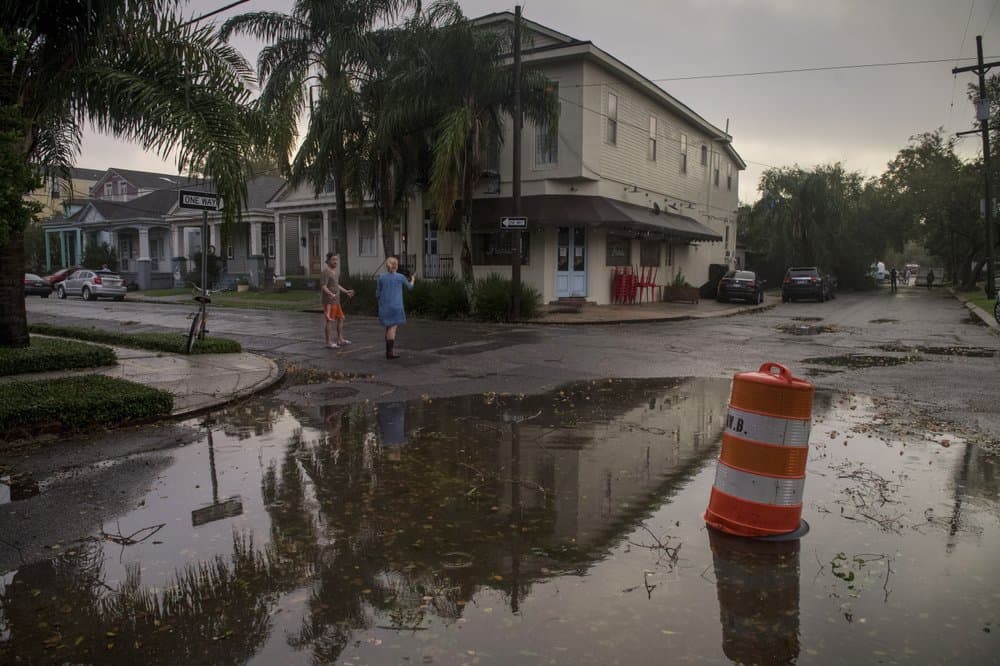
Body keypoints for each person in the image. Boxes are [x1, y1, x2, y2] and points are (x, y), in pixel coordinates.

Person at [376, 256, 415, 359]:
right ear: (396, 266)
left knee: (388, 327)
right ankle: (390, 353)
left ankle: (388, 351)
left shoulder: (381, 277)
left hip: (384, 306)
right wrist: (413, 280)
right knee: (393, 328)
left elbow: (377, 294)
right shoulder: (400, 277)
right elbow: (410, 287)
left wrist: (380, 304)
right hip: (396, 306)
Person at [321, 253, 354, 349]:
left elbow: (337, 285)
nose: (335, 262)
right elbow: (323, 286)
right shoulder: (326, 272)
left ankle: (340, 339)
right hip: (329, 301)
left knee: (341, 318)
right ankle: (328, 342)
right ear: (328, 261)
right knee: (329, 321)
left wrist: (346, 291)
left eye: (336, 260)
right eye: (333, 260)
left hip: (336, 300)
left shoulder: (335, 272)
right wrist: (330, 294)